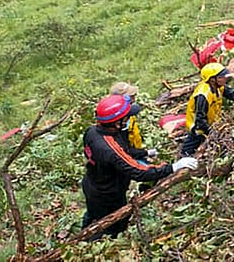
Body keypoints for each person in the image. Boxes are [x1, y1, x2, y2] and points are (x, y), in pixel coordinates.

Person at [82, 95, 198, 238]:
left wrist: (144, 152)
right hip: (108, 194)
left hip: (92, 184)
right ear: (116, 123)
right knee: (112, 225)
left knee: (92, 214)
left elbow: (124, 150)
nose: (128, 119)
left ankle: (84, 233)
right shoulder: (109, 149)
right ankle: (97, 243)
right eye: (125, 118)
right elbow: (139, 172)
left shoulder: (93, 131)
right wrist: (173, 167)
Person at [180, 62, 234, 157]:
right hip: (198, 129)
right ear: (212, 80)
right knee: (188, 152)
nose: (225, 78)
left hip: (212, 124)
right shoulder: (203, 96)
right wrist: (213, 133)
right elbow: (200, 120)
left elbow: (232, 95)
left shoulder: (219, 86)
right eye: (221, 77)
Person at [108, 82, 151, 157]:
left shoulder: (128, 113)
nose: (134, 100)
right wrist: (145, 153)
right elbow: (124, 150)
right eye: (131, 97)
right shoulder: (115, 121)